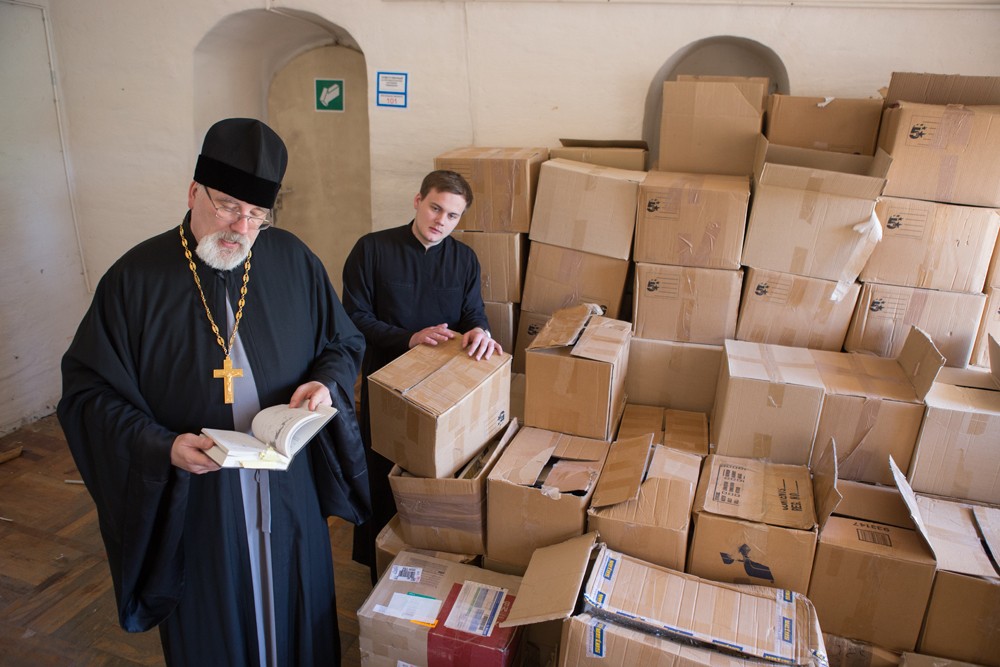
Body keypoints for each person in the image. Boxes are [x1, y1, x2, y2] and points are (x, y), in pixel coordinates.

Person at [57, 118, 370, 667]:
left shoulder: (293, 260)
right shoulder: (135, 279)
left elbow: (343, 342)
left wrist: (327, 382)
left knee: (298, 608)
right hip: (200, 495)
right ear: (193, 192)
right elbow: (87, 395)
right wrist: (162, 446)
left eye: (257, 215)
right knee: (215, 622)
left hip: (288, 484)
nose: (241, 226)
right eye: (227, 206)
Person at [341, 169, 501, 583]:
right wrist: (408, 337)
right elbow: (354, 317)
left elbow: (472, 313)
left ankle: (432, 570)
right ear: (418, 201)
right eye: (435, 208)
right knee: (382, 474)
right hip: (385, 382)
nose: (441, 221)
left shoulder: (464, 260)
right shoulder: (372, 249)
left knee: (434, 477)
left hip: (442, 389)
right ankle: (378, 567)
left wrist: (479, 331)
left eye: (452, 216)